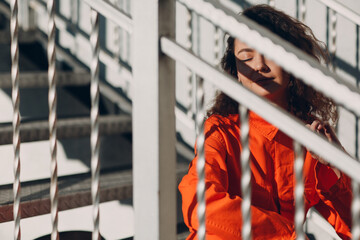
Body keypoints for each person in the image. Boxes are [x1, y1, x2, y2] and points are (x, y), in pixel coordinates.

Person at [178, 4, 352, 240]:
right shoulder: (221, 132)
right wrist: (289, 236)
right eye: (246, 57)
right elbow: (199, 205)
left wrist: (336, 167)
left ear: (292, 61)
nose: (259, 65)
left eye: (270, 53)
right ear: (236, 71)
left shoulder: (311, 136)